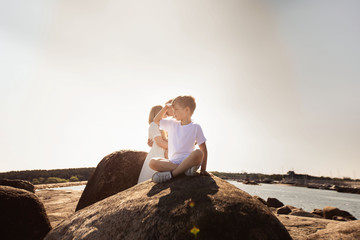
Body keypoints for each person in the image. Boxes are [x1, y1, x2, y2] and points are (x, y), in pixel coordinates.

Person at [149, 96, 208, 183]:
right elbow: (156, 120)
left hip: (189, 160)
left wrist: (203, 170)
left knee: (198, 153)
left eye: (176, 110)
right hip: (173, 162)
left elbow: (204, 149)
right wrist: (165, 107)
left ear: (186, 110)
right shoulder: (172, 123)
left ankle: (171, 175)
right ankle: (186, 170)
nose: (173, 112)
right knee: (152, 162)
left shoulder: (196, 127)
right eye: (173, 110)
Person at [137, 105, 169, 183]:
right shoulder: (154, 125)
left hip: (164, 151)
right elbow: (159, 142)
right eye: (165, 113)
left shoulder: (163, 126)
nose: (167, 115)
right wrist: (175, 147)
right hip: (158, 153)